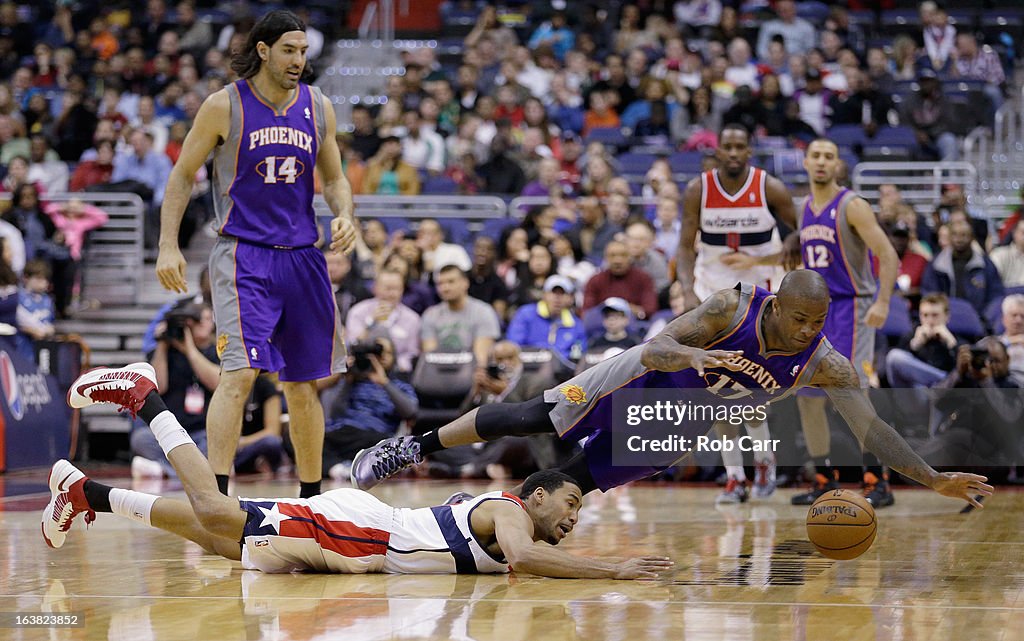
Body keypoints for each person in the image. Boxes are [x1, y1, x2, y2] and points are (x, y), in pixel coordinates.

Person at [349, 271, 992, 516]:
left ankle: (480, 514)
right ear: (775, 307)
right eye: (801, 320)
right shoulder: (728, 307)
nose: (809, 332)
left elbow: (872, 432)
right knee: (531, 417)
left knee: (572, 487)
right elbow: (657, 346)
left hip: (683, 419)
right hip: (647, 373)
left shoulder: (826, 365)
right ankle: (410, 447)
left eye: (819, 324)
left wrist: (931, 477)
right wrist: (689, 353)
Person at [45, 365, 672, 580]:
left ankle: (88, 492)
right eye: (572, 503)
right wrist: (614, 568)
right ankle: (143, 395)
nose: (574, 514)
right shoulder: (510, 513)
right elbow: (527, 561)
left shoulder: (507, 519)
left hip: (364, 547)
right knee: (214, 511)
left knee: (220, 541)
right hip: (361, 533)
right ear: (537, 496)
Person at [154, 10, 357, 499]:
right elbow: (182, 176)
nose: (299, 60)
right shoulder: (224, 105)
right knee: (239, 372)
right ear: (263, 50)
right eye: (289, 49)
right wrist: (168, 244)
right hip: (244, 254)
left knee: (304, 384)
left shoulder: (318, 105)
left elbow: (333, 177)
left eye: (304, 51)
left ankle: (312, 500)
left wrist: (345, 213)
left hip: (303, 256)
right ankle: (216, 496)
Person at [675, 122, 798, 502]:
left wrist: (760, 259)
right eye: (725, 146)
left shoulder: (770, 187)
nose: (731, 152)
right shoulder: (699, 189)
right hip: (712, 294)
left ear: (749, 151)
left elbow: (799, 238)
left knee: (750, 389)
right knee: (716, 388)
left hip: (759, 298)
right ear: (717, 151)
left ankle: (763, 462)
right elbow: (684, 247)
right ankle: (734, 476)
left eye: (738, 146)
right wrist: (686, 290)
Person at [794, 138, 899, 508]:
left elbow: (888, 255)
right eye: (816, 156)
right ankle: (824, 478)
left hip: (852, 310)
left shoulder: (851, 206)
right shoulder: (802, 207)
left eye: (829, 156)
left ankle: (877, 479)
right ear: (805, 162)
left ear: (838, 164)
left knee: (853, 396)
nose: (822, 162)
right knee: (807, 399)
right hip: (814, 314)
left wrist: (883, 301)